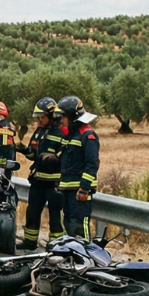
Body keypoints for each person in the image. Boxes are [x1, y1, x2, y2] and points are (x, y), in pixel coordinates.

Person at [21, 97, 67, 250]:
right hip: (38, 181)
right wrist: (21, 149)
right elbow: (33, 154)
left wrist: (51, 158)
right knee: (32, 212)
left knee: (55, 216)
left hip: (54, 182)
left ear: (52, 115)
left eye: (43, 116)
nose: (40, 119)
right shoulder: (40, 130)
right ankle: (29, 242)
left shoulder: (63, 132)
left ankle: (57, 246)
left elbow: (65, 156)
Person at [56, 95, 100, 239]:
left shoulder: (87, 135)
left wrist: (84, 188)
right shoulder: (71, 135)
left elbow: (92, 163)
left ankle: (85, 256)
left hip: (80, 191)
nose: (61, 120)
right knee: (68, 224)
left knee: (79, 227)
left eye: (63, 116)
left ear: (72, 117)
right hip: (68, 189)